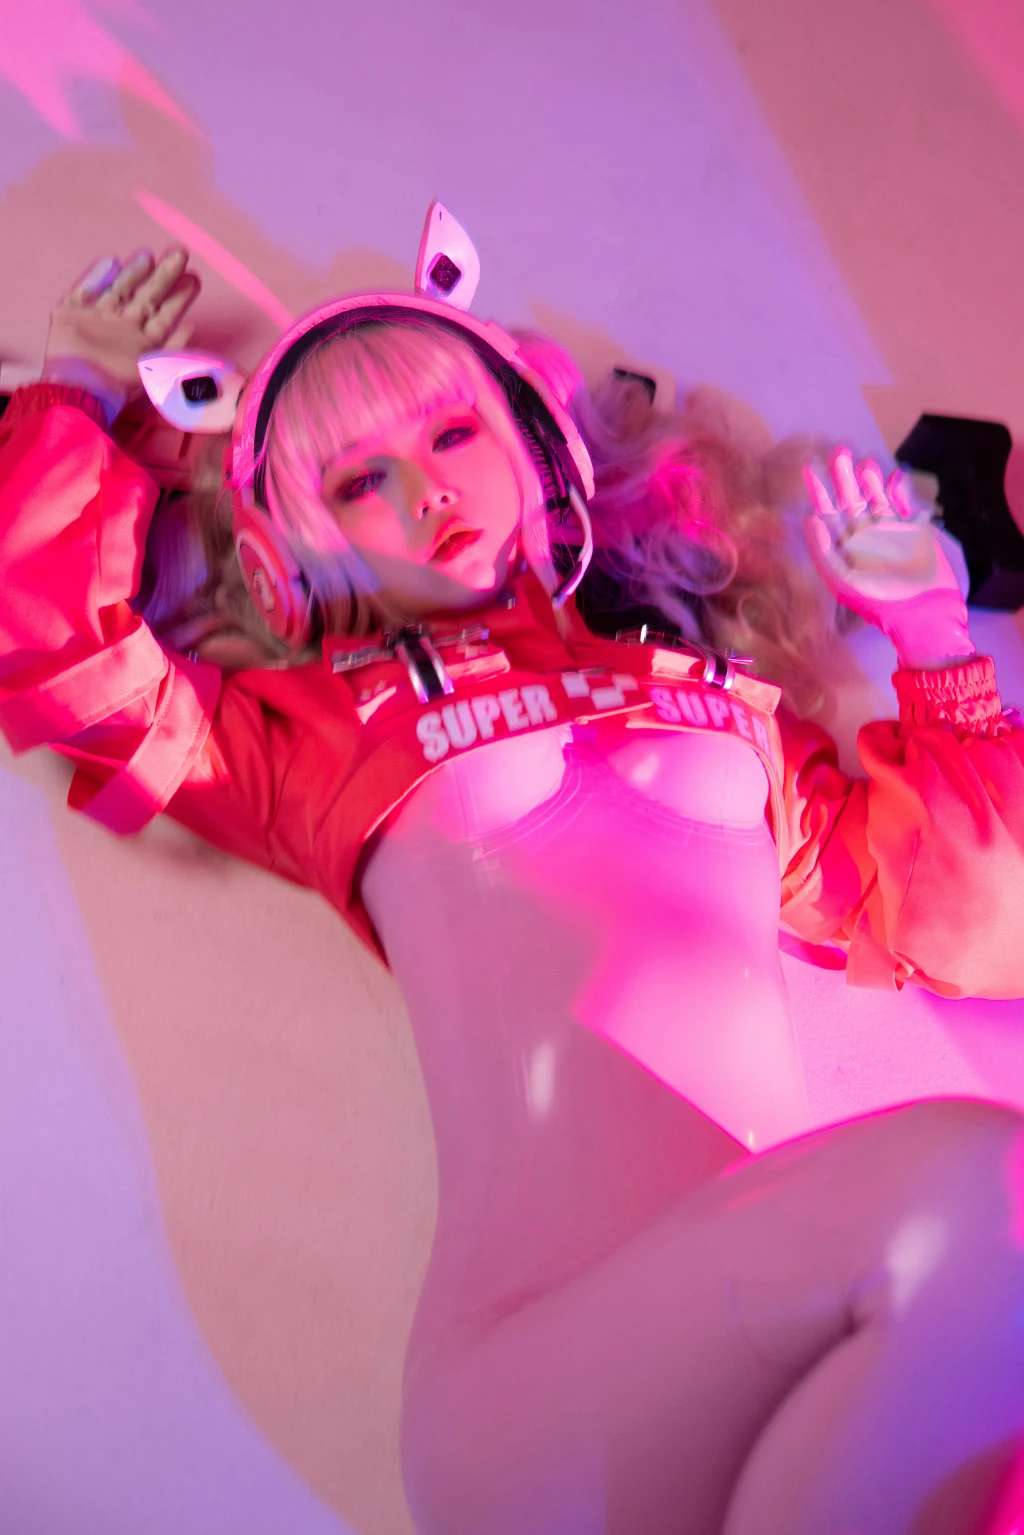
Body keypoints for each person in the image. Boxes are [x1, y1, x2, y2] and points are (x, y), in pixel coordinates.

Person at [1, 208, 1023, 1535]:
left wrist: (932, 632)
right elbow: (56, 647)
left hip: (800, 1333)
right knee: (992, 1198)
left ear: (533, 448)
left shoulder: (722, 709)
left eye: (451, 435)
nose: (425, 490)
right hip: (540, 1378)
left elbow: (978, 926)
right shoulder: (313, 734)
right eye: (357, 481)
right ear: (291, 546)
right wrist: (77, 393)